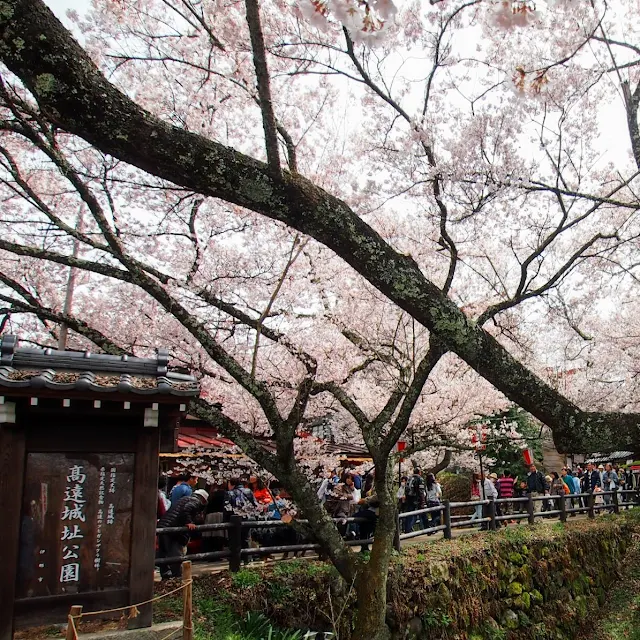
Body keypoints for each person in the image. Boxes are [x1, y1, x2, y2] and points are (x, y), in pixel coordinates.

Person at [157, 489, 209, 579]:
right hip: (172, 527)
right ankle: (176, 575)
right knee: (174, 553)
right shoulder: (195, 501)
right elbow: (186, 509)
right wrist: (189, 522)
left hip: (165, 524)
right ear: (203, 500)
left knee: (164, 552)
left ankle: (166, 575)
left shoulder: (186, 498)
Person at [404, 468, 426, 533]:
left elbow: (406, 489)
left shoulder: (409, 478)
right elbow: (421, 491)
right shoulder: (420, 479)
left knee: (409, 514)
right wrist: (422, 501)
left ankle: (407, 528)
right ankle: (408, 529)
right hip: (416, 499)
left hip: (409, 499)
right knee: (415, 515)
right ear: (419, 472)